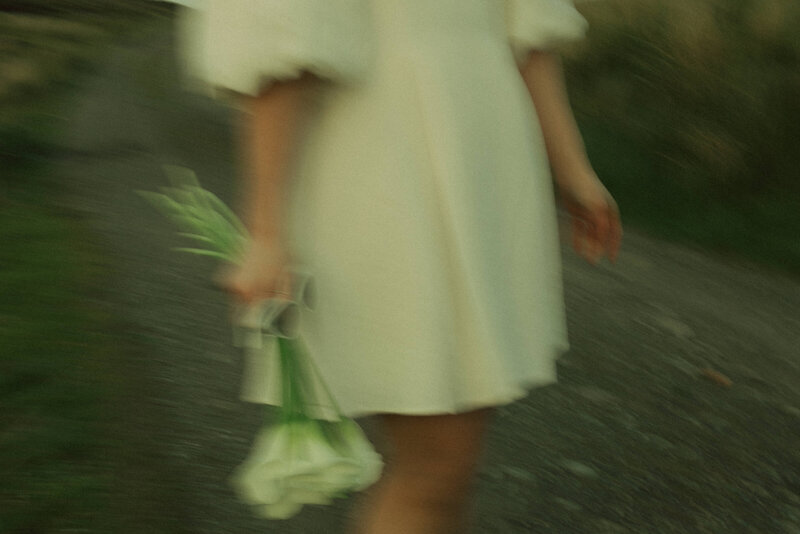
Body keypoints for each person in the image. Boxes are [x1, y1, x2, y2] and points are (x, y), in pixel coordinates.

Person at [177, 1, 622, 532]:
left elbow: (526, 28)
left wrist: (573, 169)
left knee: (452, 463)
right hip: (382, 160)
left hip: (482, 157)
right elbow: (283, 39)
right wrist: (268, 232)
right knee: (436, 467)